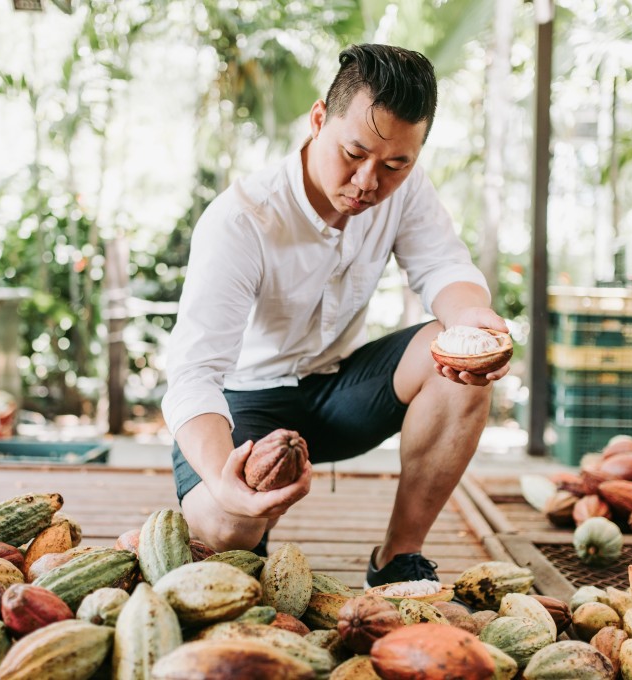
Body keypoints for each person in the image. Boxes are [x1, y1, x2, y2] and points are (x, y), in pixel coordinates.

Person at [161, 43, 510, 588]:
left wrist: (477, 323)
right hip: (245, 405)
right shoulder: (241, 220)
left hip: (341, 394)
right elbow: (193, 374)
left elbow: (444, 268)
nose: (370, 181)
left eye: (395, 164)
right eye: (354, 154)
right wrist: (223, 481)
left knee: (458, 353)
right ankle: (234, 514)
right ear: (319, 119)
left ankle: (398, 559)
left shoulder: (405, 189)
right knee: (227, 525)